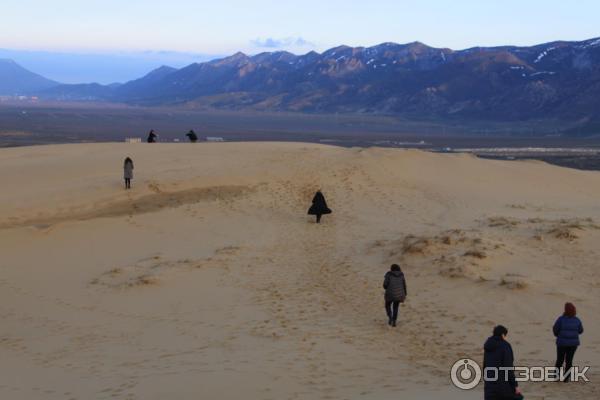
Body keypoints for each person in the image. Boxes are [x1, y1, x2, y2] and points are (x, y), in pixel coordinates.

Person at [483, 325, 522, 400]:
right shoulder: (505, 346)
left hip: (489, 388)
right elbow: (508, 368)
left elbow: (485, 366)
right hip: (503, 388)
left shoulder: (488, 346)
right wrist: (515, 385)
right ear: (503, 335)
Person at [553, 302, 584, 382]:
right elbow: (581, 330)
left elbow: (555, 329)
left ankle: (556, 377)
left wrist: (558, 335)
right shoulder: (577, 320)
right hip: (573, 344)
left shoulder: (561, 319)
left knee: (560, 360)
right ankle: (566, 378)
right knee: (569, 361)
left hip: (562, 343)